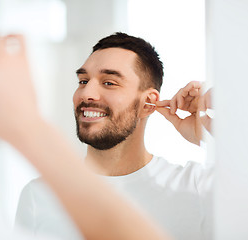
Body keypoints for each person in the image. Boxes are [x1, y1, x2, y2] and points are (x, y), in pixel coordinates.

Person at [12, 33, 213, 240]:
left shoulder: (197, 187)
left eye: (109, 83)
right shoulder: (39, 195)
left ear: (147, 103)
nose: (86, 93)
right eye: (83, 81)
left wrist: (212, 136)